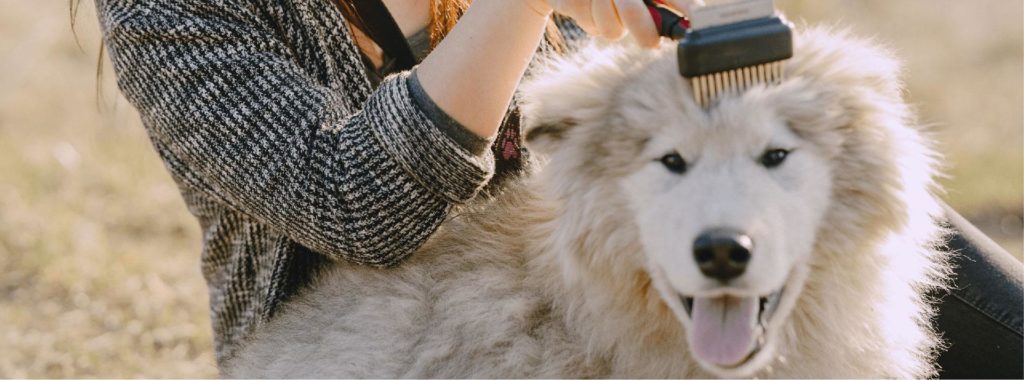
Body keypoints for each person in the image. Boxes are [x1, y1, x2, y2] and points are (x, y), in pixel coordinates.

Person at [93, 0, 1020, 377]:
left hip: (605, 271)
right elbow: (350, 203)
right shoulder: (168, 9)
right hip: (383, 341)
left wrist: (702, 38)